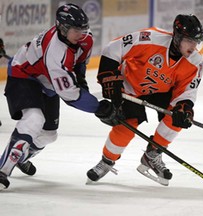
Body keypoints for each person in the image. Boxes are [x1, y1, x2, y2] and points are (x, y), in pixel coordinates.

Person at [0, 3, 118, 190]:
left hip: (48, 83)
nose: (82, 34)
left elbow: (79, 65)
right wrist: (98, 108)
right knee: (34, 119)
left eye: (84, 29)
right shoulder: (55, 52)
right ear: (62, 28)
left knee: (48, 135)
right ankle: (3, 170)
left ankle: (22, 155)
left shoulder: (85, 39)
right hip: (24, 76)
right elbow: (69, 94)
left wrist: (82, 82)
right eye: (76, 30)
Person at [87, 14, 203, 186]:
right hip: (130, 86)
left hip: (161, 91)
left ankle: (152, 155)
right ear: (177, 37)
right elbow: (113, 48)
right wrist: (108, 75)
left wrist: (184, 106)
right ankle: (106, 161)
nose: (194, 47)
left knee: (177, 117)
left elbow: (188, 91)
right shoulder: (150, 39)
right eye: (189, 41)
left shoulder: (195, 62)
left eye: (197, 42)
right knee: (126, 127)